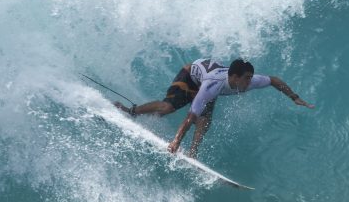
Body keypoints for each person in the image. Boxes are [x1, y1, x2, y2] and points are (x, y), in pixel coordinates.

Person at [114, 58, 314, 157]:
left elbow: (273, 80)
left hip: (208, 82)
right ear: (234, 77)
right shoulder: (212, 86)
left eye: (251, 78)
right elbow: (190, 117)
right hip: (191, 76)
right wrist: (175, 141)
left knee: (206, 121)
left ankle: (192, 153)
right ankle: (131, 111)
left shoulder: (248, 81)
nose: (250, 82)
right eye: (246, 78)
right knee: (168, 108)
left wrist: (294, 97)